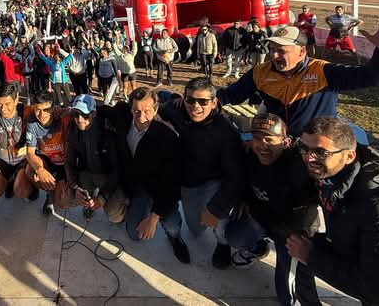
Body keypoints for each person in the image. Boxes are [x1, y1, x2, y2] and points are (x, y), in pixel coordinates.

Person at [216, 12, 379, 137]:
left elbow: (373, 77)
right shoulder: (261, 72)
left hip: (316, 146)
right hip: (277, 144)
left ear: (302, 52)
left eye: (281, 51)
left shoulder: (322, 71)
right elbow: (230, 95)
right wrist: (203, 101)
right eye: (272, 49)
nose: (273, 56)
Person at [287, 117, 379, 306]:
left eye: (320, 152)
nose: (308, 158)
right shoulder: (334, 167)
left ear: (349, 156)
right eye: (303, 148)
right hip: (359, 248)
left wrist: (312, 257)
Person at [226, 114, 320, 305]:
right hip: (262, 216)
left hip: (291, 228)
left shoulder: (299, 167)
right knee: (235, 234)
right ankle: (258, 248)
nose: (262, 145)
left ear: (285, 142)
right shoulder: (249, 154)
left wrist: (297, 237)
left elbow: (308, 208)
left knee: (290, 279)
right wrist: (243, 198)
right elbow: (241, 178)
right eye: (257, 138)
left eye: (269, 140)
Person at [161, 77, 244, 270]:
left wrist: (216, 209)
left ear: (214, 102)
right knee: (196, 231)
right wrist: (165, 101)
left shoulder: (226, 133)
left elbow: (235, 177)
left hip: (212, 183)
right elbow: (159, 101)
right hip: (187, 183)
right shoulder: (176, 110)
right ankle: (175, 235)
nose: (196, 106)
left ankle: (222, 244)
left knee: (220, 220)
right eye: (190, 100)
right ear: (184, 99)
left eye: (203, 102)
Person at [98, 87, 188, 262]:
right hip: (135, 185)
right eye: (136, 111)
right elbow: (102, 110)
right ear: (130, 108)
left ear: (155, 109)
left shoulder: (167, 137)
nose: (141, 117)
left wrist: (154, 217)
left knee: (171, 224)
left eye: (147, 111)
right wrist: (66, 111)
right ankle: (134, 208)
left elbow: (173, 183)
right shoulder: (122, 115)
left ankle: (175, 238)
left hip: (158, 188)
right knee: (134, 234)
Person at [60, 95, 127, 222]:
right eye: (76, 114)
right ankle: (88, 198)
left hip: (108, 177)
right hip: (88, 173)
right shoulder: (73, 129)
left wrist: (103, 197)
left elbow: (117, 169)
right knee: (65, 199)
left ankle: (123, 207)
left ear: (93, 114)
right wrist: (75, 187)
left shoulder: (107, 131)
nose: (80, 119)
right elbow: (69, 161)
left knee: (114, 215)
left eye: (85, 115)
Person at [18, 91, 72, 214]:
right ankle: (49, 193)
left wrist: (68, 110)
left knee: (62, 201)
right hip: (48, 160)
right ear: (33, 107)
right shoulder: (32, 121)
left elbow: (83, 114)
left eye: (46, 109)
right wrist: (40, 169)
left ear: (53, 107)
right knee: (30, 170)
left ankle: (57, 191)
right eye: (38, 110)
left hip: (66, 163)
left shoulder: (63, 117)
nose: (42, 114)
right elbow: (30, 153)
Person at [0, 83, 30, 204]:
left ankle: (30, 187)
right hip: (3, 161)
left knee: (21, 190)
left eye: (7, 104)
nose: (3, 108)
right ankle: (10, 181)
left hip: (23, 161)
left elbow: (46, 111)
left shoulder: (26, 111)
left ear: (16, 100)